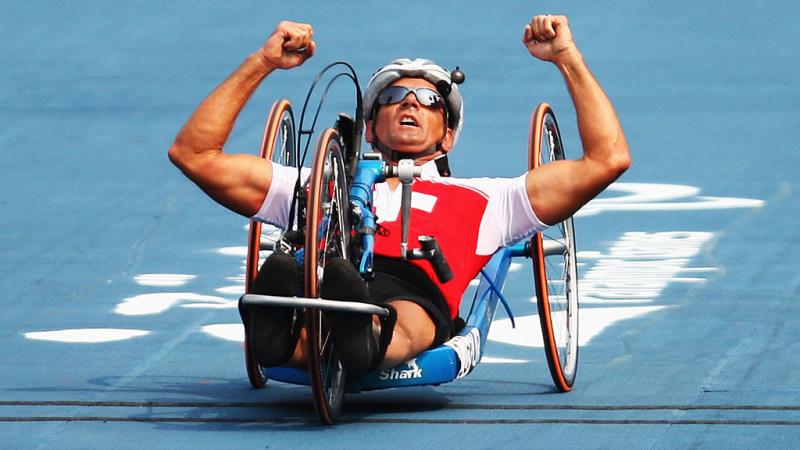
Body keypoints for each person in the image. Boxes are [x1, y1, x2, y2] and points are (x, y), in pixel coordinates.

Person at [168, 15, 630, 378]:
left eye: (429, 101)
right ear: (369, 127)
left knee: (407, 312)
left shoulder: (490, 199)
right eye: (393, 95)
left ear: (448, 138)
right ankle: (284, 332)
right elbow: (194, 155)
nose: (410, 102)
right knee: (310, 275)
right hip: (323, 271)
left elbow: (607, 160)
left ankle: (355, 336)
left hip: (411, 289)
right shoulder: (314, 182)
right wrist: (262, 62)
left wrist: (567, 57)